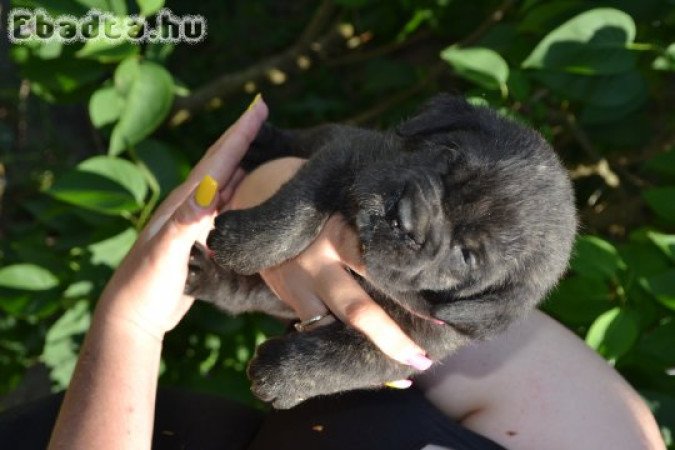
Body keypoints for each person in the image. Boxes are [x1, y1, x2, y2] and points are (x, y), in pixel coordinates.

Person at [31, 96, 662, 449]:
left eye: (467, 254)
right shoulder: (607, 434)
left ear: (484, 303)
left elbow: (389, 352)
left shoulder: (463, 322)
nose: (422, 212)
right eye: (445, 161)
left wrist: (130, 328)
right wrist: (288, 208)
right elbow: (268, 186)